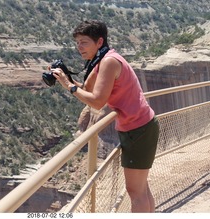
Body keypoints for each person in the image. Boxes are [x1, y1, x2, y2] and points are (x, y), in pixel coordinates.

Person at [51, 20, 159, 213]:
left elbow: (97, 101)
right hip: (140, 126)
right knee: (141, 189)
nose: (79, 47)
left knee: (135, 192)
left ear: (99, 42)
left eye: (84, 42)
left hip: (137, 130)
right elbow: (87, 90)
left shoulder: (108, 62)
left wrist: (69, 86)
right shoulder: (105, 58)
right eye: (77, 43)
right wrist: (66, 79)